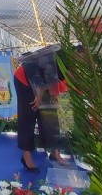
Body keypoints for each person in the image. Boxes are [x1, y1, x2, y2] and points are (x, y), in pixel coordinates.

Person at [14, 45, 68, 173]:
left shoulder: (76, 65)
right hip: (25, 79)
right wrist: (38, 95)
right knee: (29, 114)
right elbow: (40, 72)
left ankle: (55, 153)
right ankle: (26, 156)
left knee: (50, 115)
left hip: (42, 82)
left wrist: (54, 94)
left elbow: (53, 79)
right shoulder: (63, 57)